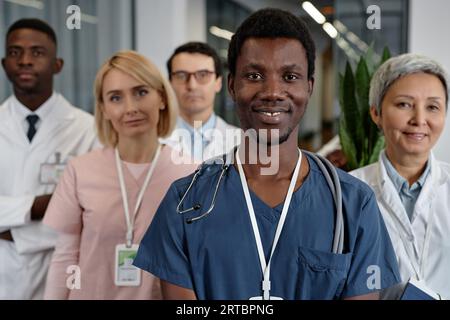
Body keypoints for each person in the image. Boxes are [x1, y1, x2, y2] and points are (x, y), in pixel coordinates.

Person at [133, 8, 401, 300]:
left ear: (309, 87)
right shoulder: (185, 201)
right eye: (255, 75)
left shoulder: (353, 204)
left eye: (290, 76)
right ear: (233, 86)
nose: (273, 91)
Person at [42, 51, 198, 299]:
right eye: (116, 98)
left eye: (141, 92)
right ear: (103, 109)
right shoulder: (80, 171)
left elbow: (197, 263)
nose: (131, 108)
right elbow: (65, 257)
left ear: (161, 97)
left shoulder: (191, 175)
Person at [0, 18, 97, 300]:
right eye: (16, 52)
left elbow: (89, 213)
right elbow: (65, 211)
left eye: (37, 52)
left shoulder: (87, 129)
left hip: (59, 274)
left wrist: (16, 235)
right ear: (5, 63)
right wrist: (39, 205)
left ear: (57, 65)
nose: (25, 61)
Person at [351, 53, 450, 299]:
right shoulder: (348, 192)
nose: (419, 120)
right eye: (404, 104)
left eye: (433, 107)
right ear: (376, 113)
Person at [162, 42, 240, 163]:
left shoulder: (241, 142)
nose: (192, 86)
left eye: (203, 75)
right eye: (181, 75)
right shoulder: (153, 141)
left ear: (218, 83)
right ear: (170, 83)